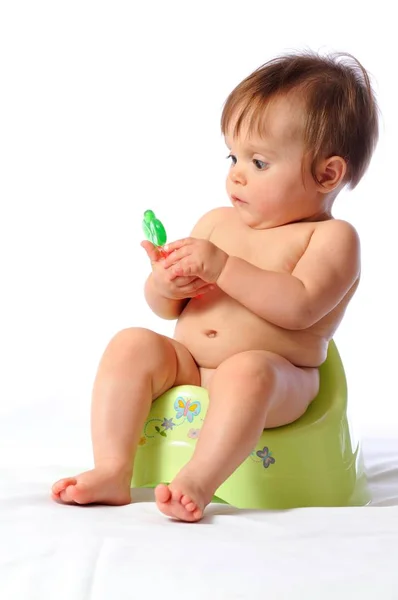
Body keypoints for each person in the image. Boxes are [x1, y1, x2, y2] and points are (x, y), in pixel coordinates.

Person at [52, 51, 379, 521]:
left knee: (247, 371)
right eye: (234, 156)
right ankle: (113, 468)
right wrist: (167, 283)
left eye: (260, 162)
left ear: (327, 174)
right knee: (131, 344)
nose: (237, 173)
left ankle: (198, 478)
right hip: (191, 366)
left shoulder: (330, 238)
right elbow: (166, 311)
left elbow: (300, 307)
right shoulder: (216, 223)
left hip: (278, 382)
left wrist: (223, 267)